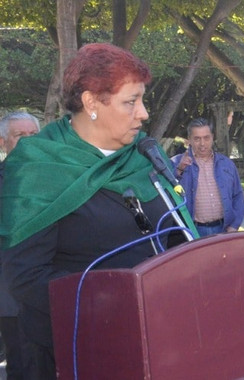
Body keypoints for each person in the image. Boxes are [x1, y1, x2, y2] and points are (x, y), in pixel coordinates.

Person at [0, 43, 190, 379]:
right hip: (83, 353)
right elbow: (27, 278)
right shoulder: (37, 169)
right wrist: (113, 306)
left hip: (166, 343)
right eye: (131, 102)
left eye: (141, 100)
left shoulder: (143, 157)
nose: (144, 113)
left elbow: (177, 236)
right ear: (90, 103)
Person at [0, 111, 40, 380]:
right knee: (21, 365)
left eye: (33, 135)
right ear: (3, 143)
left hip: (48, 291)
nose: (27, 142)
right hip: (11, 295)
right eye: (19, 136)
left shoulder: (60, 180)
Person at [172, 118, 244, 236]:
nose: (202, 143)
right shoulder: (177, 163)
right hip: (193, 231)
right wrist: (180, 169)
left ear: (212, 137)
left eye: (206, 138)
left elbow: (238, 195)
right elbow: (168, 193)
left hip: (224, 229)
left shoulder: (226, 164)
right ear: (189, 140)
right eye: (197, 139)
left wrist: (234, 226)